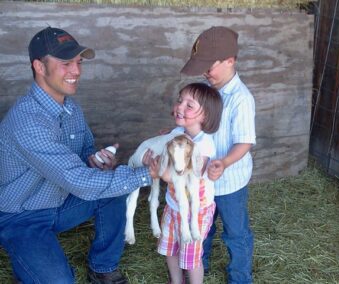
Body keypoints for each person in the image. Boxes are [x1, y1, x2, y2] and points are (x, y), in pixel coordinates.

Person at [0, 27, 158, 284]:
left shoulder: (71, 107)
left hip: (59, 202)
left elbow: (84, 151)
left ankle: (103, 267)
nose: (76, 71)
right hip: (22, 216)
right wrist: (147, 174)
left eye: (78, 62)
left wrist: (95, 159)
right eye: (65, 63)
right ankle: (28, 261)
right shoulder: (27, 120)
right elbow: (79, 181)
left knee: (112, 190)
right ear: (39, 67)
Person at [181, 26, 256, 284]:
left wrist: (223, 162)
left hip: (230, 182)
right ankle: (197, 268)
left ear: (230, 61)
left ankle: (240, 277)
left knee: (236, 233)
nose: (204, 72)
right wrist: (176, 134)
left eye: (208, 66)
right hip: (204, 181)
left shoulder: (240, 98)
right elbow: (197, 123)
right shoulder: (208, 93)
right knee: (203, 227)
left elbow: (245, 142)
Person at [156, 82, 223, 284]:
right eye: (180, 101)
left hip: (197, 211)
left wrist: (160, 171)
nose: (180, 107)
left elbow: (189, 175)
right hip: (174, 205)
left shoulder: (204, 144)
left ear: (205, 116)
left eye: (189, 105)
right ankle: (176, 281)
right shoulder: (177, 134)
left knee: (191, 257)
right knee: (170, 247)